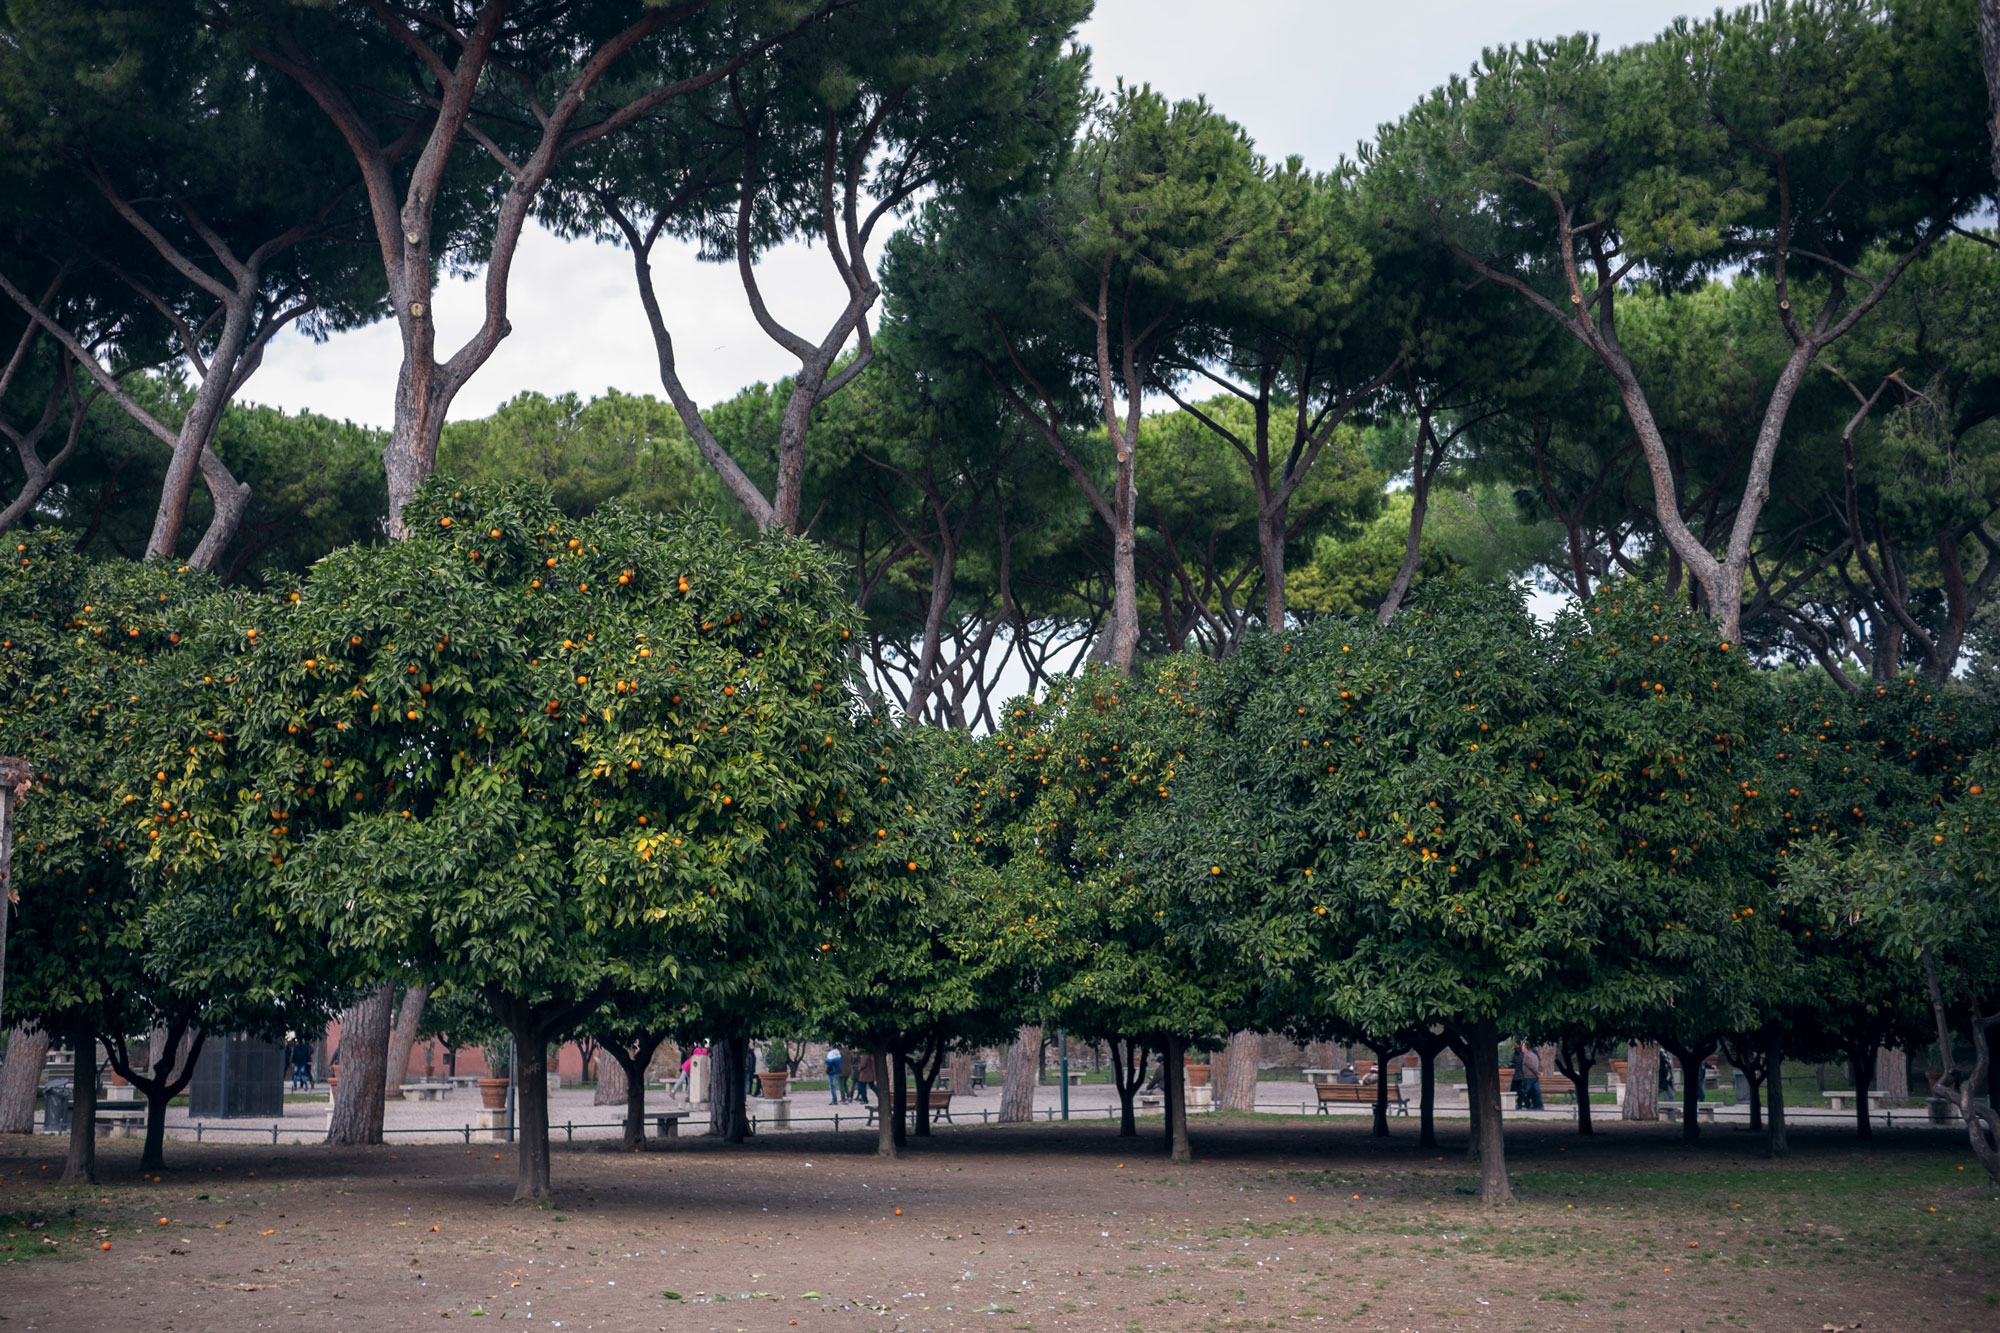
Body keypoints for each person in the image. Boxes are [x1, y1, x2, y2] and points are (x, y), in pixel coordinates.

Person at [1518, 1043, 1544, 1110]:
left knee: (1524, 1091)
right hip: (1535, 1077)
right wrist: (1539, 1072)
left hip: (1529, 1076)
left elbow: (1531, 1066)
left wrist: (1537, 1072)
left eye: (1523, 1047)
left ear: (1526, 1048)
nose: (1522, 1048)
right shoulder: (1534, 1055)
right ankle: (1540, 1105)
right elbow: (1538, 1065)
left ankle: (1520, 1104)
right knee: (1536, 1092)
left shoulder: (1527, 1055)